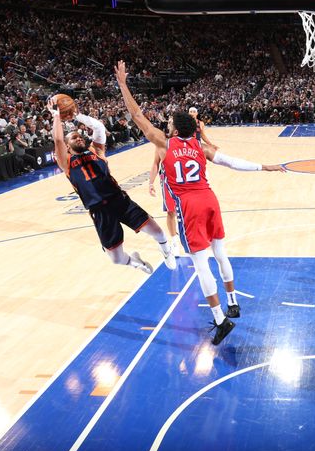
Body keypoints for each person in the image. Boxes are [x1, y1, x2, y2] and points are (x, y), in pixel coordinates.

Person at [115, 60, 284, 345]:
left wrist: (123, 84)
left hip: (190, 207)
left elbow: (137, 115)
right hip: (210, 200)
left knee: (201, 265)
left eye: (168, 123)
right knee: (221, 253)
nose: (165, 125)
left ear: (175, 128)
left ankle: (220, 319)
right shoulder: (199, 146)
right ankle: (233, 301)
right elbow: (231, 162)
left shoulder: (164, 144)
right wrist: (263, 166)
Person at [47, 97, 177, 275]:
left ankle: (166, 250)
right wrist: (56, 115)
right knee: (116, 259)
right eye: (73, 138)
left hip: (119, 200)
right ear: (68, 147)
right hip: (100, 211)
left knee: (158, 232)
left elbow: (99, 127)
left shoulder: (96, 150)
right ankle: (135, 263)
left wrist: (77, 116)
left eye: (79, 136)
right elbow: (58, 140)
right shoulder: (66, 162)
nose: (78, 138)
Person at [149, 117, 180, 250]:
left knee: (187, 210)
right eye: (168, 122)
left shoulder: (184, 141)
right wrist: (151, 183)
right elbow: (156, 163)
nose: (168, 124)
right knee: (171, 211)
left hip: (183, 180)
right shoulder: (161, 142)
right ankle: (174, 240)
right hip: (168, 181)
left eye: (171, 122)